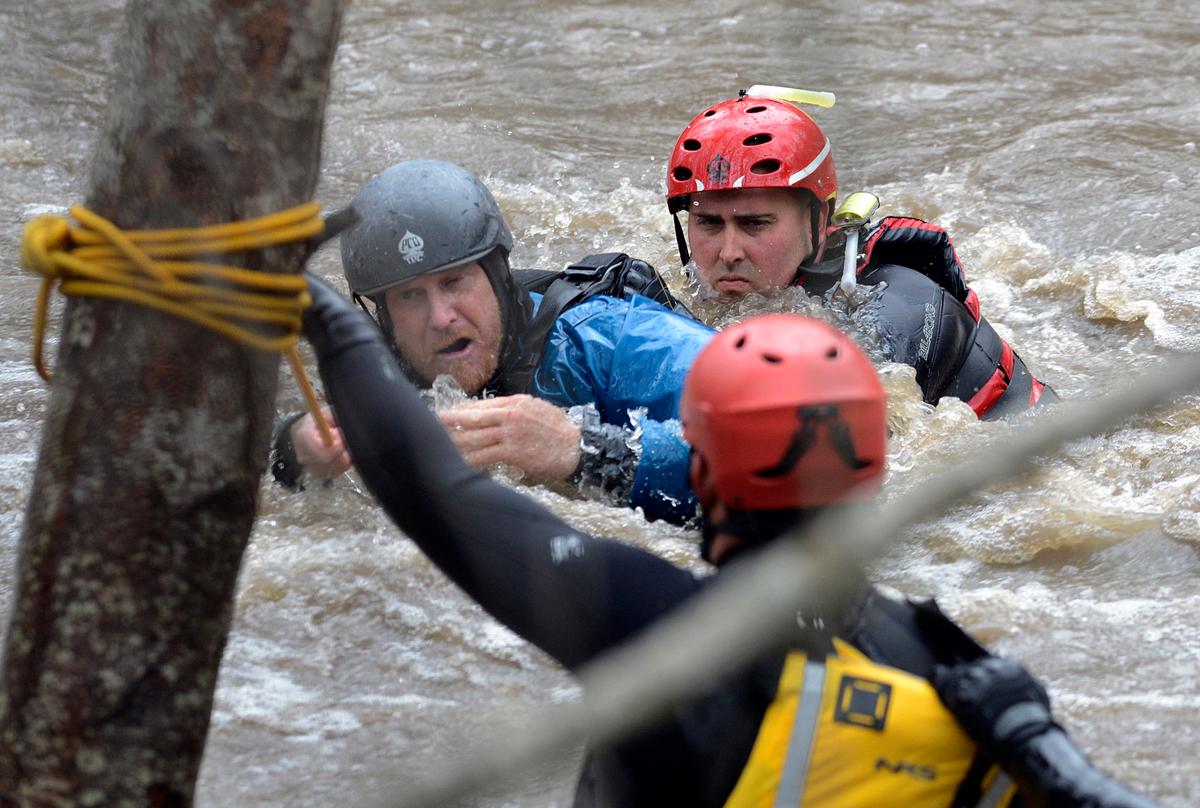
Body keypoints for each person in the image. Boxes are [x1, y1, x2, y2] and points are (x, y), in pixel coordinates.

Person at [299, 273, 1155, 808]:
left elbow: (437, 496)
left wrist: (324, 318)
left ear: (699, 476)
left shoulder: (646, 623)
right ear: (870, 476)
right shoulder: (956, 676)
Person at [272, 159, 713, 523]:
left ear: (498, 275)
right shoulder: (387, 375)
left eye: (455, 282)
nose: (441, 318)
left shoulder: (611, 338)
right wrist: (294, 449)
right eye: (409, 296)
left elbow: (775, 450)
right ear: (383, 317)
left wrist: (583, 452)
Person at [664, 90, 1057, 419]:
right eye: (709, 224)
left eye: (755, 224)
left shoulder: (897, 303)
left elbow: (820, 436)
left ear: (819, 220)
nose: (728, 253)